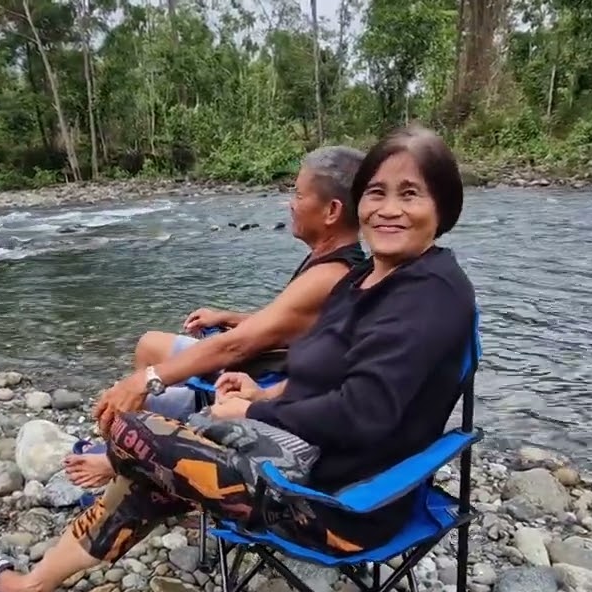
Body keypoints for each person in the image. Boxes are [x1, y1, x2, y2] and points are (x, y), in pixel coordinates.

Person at [0, 125, 476, 592]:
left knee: (132, 432)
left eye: (410, 194)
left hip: (336, 507)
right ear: (359, 202)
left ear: (444, 206)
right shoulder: (368, 279)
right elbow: (330, 371)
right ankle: (30, 589)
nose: (388, 209)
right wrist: (264, 393)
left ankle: (86, 512)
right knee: (157, 461)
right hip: (309, 463)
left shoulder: (430, 296)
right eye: (377, 192)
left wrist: (252, 409)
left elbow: (361, 413)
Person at [66, 146, 367, 487]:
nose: (290, 204)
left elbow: (234, 347)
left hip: (260, 378)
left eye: (298, 194)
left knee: (141, 381)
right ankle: (140, 447)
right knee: (149, 348)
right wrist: (228, 316)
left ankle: (129, 463)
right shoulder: (337, 260)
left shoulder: (328, 275)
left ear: (332, 210)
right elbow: (288, 321)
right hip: (268, 365)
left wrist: (148, 379)